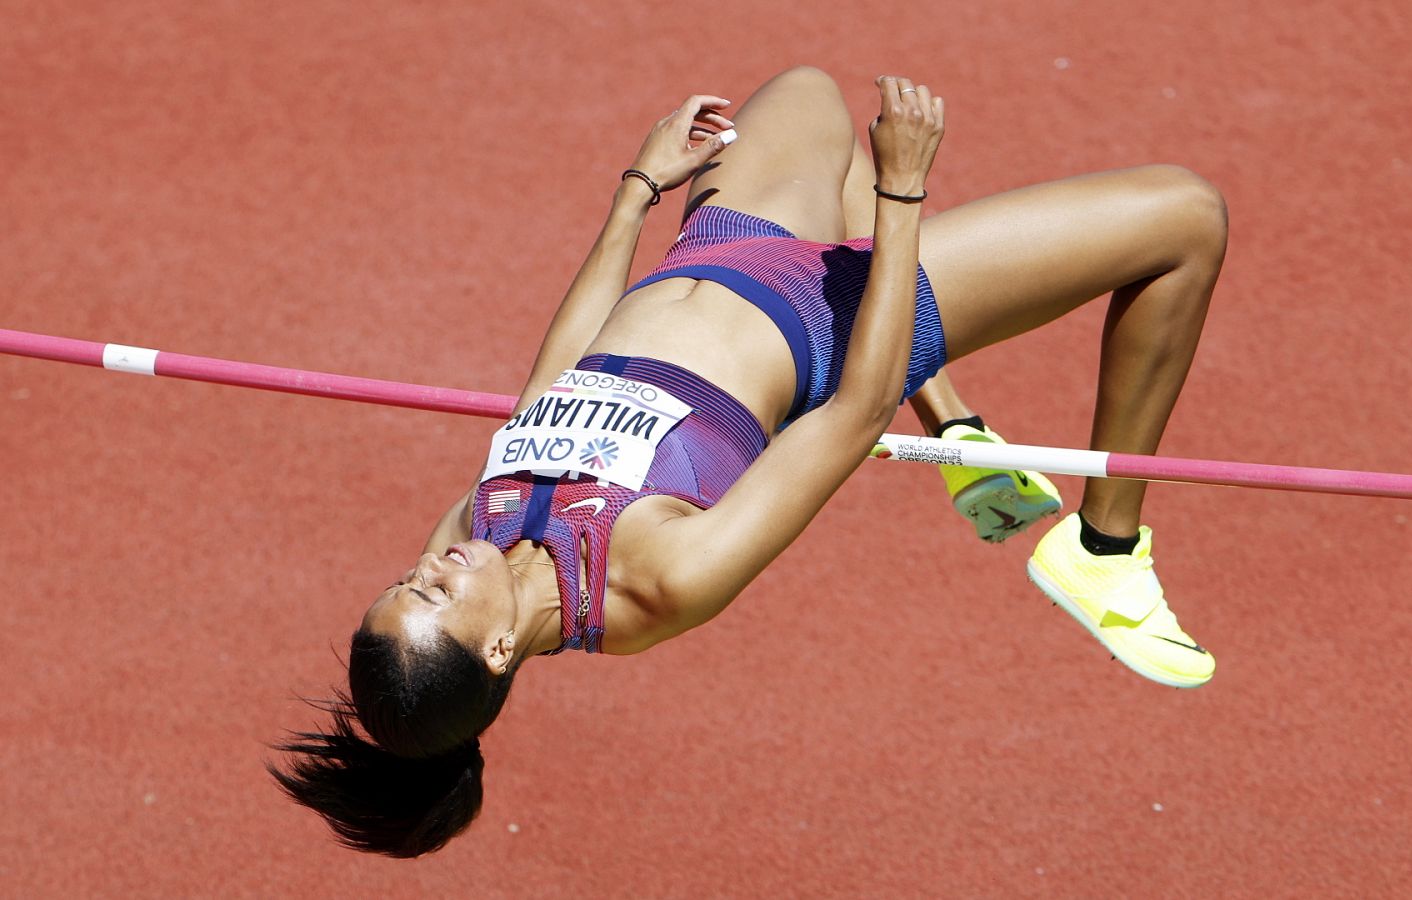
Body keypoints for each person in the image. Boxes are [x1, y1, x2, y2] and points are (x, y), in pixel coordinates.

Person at [271, 67, 1227, 856]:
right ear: (494, 650)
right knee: (1185, 217)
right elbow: (855, 412)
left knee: (807, 92)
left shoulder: (470, 538)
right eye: (432, 593)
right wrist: (902, 200)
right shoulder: (652, 582)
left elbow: (552, 380)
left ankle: (960, 434)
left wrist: (636, 192)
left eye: (406, 578)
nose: (431, 563)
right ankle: (1105, 553)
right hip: (831, 320)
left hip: (719, 244)